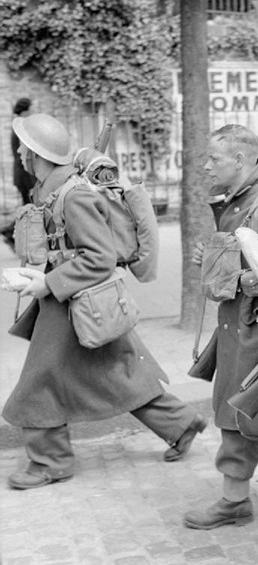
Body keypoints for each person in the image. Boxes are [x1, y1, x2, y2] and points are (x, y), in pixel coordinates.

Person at [4, 113, 206, 490]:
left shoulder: (73, 195)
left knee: (38, 381)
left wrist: (47, 284)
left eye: (23, 147)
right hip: (75, 302)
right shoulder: (53, 189)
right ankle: (180, 423)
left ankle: (50, 461)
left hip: (75, 304)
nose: (18, 153)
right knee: (119, 375)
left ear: (37, 154)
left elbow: (98, 257)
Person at [183, 124, 258, 530]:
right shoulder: (239, 201)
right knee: (232, 416)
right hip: (238, 327)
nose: (204, 166)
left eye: (213, 158)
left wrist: (230, 275)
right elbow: (241, 257)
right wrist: (215, 258)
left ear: (240, 160)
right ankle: (235, 500)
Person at [11, 98, 36, 205]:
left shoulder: (19, 125)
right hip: (25, 175)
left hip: (25, 174)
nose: (32, 112)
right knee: (30, 208)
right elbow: (25, 156)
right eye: (31, 109)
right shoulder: (20, 127)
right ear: (24, 111)